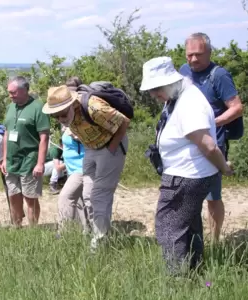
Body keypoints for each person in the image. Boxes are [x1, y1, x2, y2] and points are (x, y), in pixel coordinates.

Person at [140, 56, 233, 274]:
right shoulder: (178, 96)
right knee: (189, 226)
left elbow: (208, 145)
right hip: (186, 174)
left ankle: (177, 282)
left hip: (185, 177)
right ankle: (196, 272)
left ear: (172, 81)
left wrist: (224, 168)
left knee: (169, 229)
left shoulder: (190, 103)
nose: (154, 95)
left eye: (157, 88)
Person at [41, 84, 130, 252]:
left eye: (63, 114)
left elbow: (124, 121)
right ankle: (94, 234)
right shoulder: (68, 115)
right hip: (91, 148)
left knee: (100, 195)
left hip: (111, 146)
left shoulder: (94, 107)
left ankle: (100, 245)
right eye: (56, 116)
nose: (61, 119)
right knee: (88, 195)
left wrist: (112, 148)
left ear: (72, 104)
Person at [179, 32, 244, 242]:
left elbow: (236, 108)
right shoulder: (183, 72)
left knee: (212, 196)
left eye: (198, 54)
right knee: (186, 194)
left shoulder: (219, 75)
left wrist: (211, 124)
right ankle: (191, 237)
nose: (193, 59)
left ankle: (214, 240)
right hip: (186, 144)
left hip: (212, 144)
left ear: (209, 52)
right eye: (190, 55)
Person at [1, 76, 51, 227]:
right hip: (11, 161)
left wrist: (40, 164)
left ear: (24, 90)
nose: (10, 95)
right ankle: (16, 227)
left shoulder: (38, 108)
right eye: (9, 92)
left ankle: (33, 230)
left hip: (29, 161)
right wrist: (4, 159)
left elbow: (44, 137)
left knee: (30, 197)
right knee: (13, 196)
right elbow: (6, 133)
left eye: (13, 92)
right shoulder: (10, 107)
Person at [56, 126, 89, 236]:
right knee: (80, 202)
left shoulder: (81, 121)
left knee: (66, 196)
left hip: (81, 168)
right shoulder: (67, 120)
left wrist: (75, 135)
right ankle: (85, 231)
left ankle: (64, 233)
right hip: (72, 169)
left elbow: (92, 141)